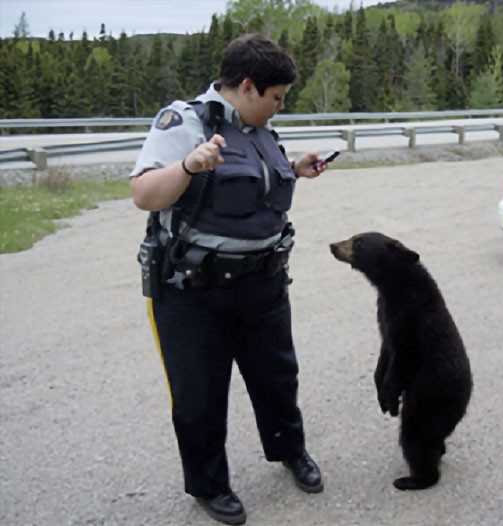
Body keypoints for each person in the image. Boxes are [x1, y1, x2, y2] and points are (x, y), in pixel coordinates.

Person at [130, 33, 328, 526]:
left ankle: (290, 452)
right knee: (199, 394)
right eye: (277, 97)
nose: (280, 107)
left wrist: (294, 169)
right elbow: (144, 194)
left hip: (262, 285)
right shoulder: (185, 122)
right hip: (194, 292)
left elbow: (252, 188)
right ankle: (209, 486)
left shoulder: (259, 128)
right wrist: (187, 165)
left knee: (278, 378)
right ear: (247, 86)